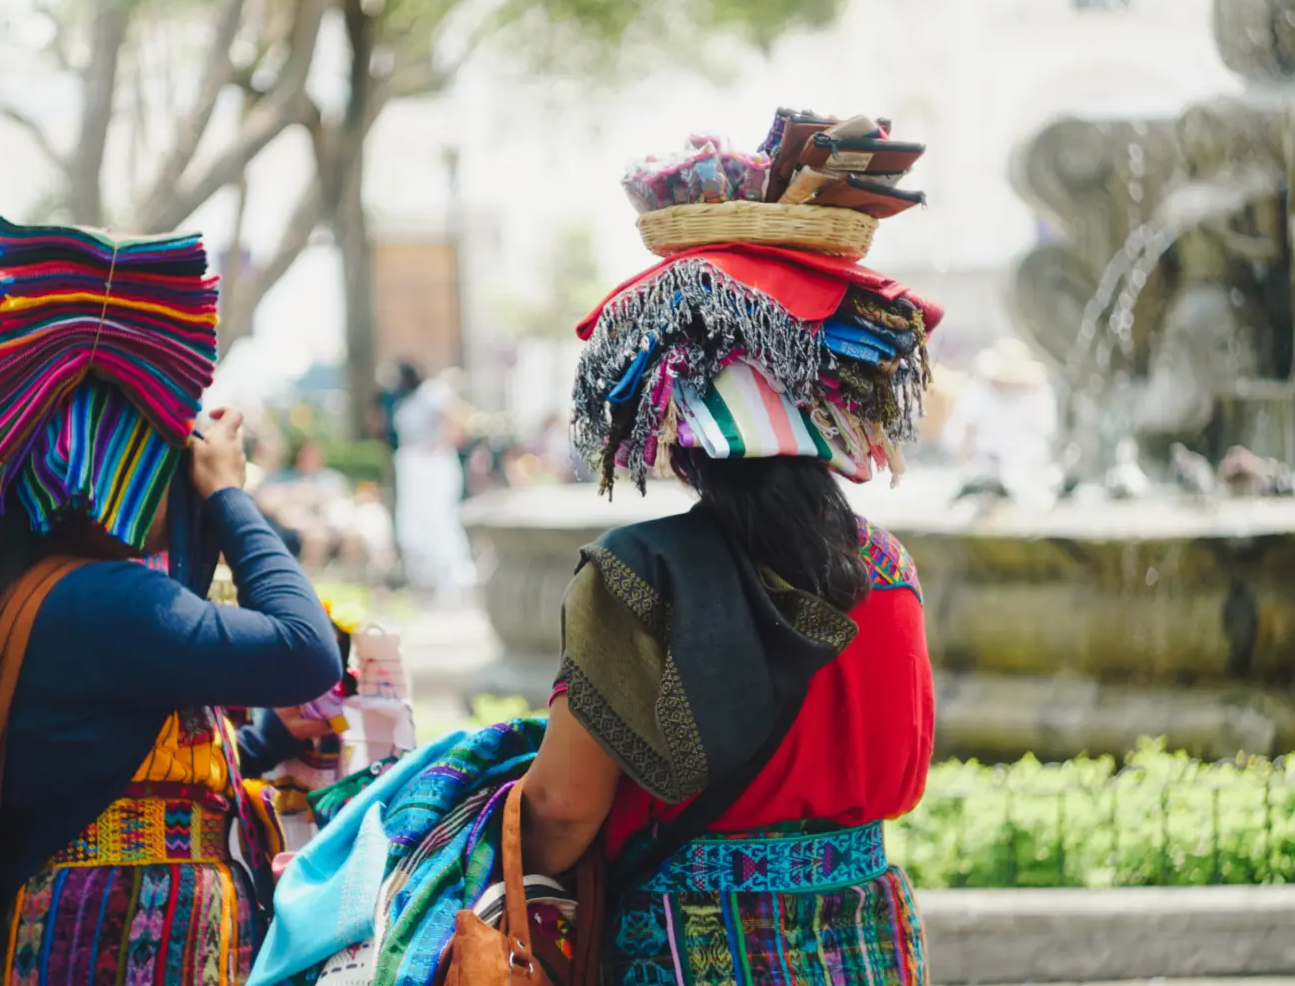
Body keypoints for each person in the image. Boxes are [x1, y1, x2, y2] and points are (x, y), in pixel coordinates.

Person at [0, 210, 343, 986]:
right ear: (120, 460)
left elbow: (118, 760)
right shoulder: (107, 603)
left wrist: (270, 743)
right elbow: (305, 650)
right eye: (166, 446)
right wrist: (227, 495)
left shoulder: (48, 593)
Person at [521, 181, 943, 983]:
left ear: (679, 441)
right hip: (867, 942)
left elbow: (564, 809)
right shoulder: (887, 568)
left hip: (691, 949)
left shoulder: (639, 574)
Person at [390, 365, 476, 598]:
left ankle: (451, 582)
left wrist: (440, 442)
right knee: (413, 526)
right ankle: (424, 581)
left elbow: (456, 420)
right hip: (413, 467)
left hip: (431, 466)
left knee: (439, 522)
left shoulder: (433, 391)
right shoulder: (408, 401)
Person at [943, 337, 1058, 503]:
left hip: (1023, 470)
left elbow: (1043, 438)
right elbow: (963, 437)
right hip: (983, 469)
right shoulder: (977, 392)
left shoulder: (1038, 395)